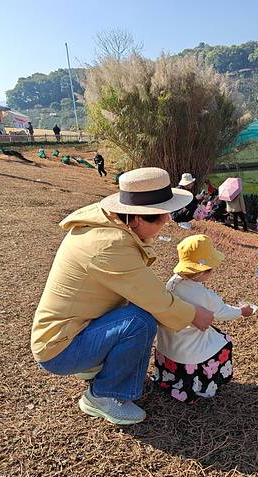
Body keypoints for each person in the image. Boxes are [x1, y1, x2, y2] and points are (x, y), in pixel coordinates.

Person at [31, 167, 215, 425]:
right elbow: (156, 299)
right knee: (141, 321)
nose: (167, 221)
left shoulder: (108, 223)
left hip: (70, 331)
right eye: (161, 217)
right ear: (137, 219)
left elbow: (139, 288)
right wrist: (195, 315)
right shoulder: (111, 245)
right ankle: (104, 396)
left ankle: (94, 365)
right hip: (61, 349)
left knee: (136, 310)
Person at [152, 235, 254, 403]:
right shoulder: (203, 295)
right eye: (211, 269)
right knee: (225, 342)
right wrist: (243, 311)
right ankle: (204, 386)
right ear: (201, 271)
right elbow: (222, 312)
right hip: (186, 353)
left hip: (166, 346)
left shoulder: (172, 282)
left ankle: (168, 380)